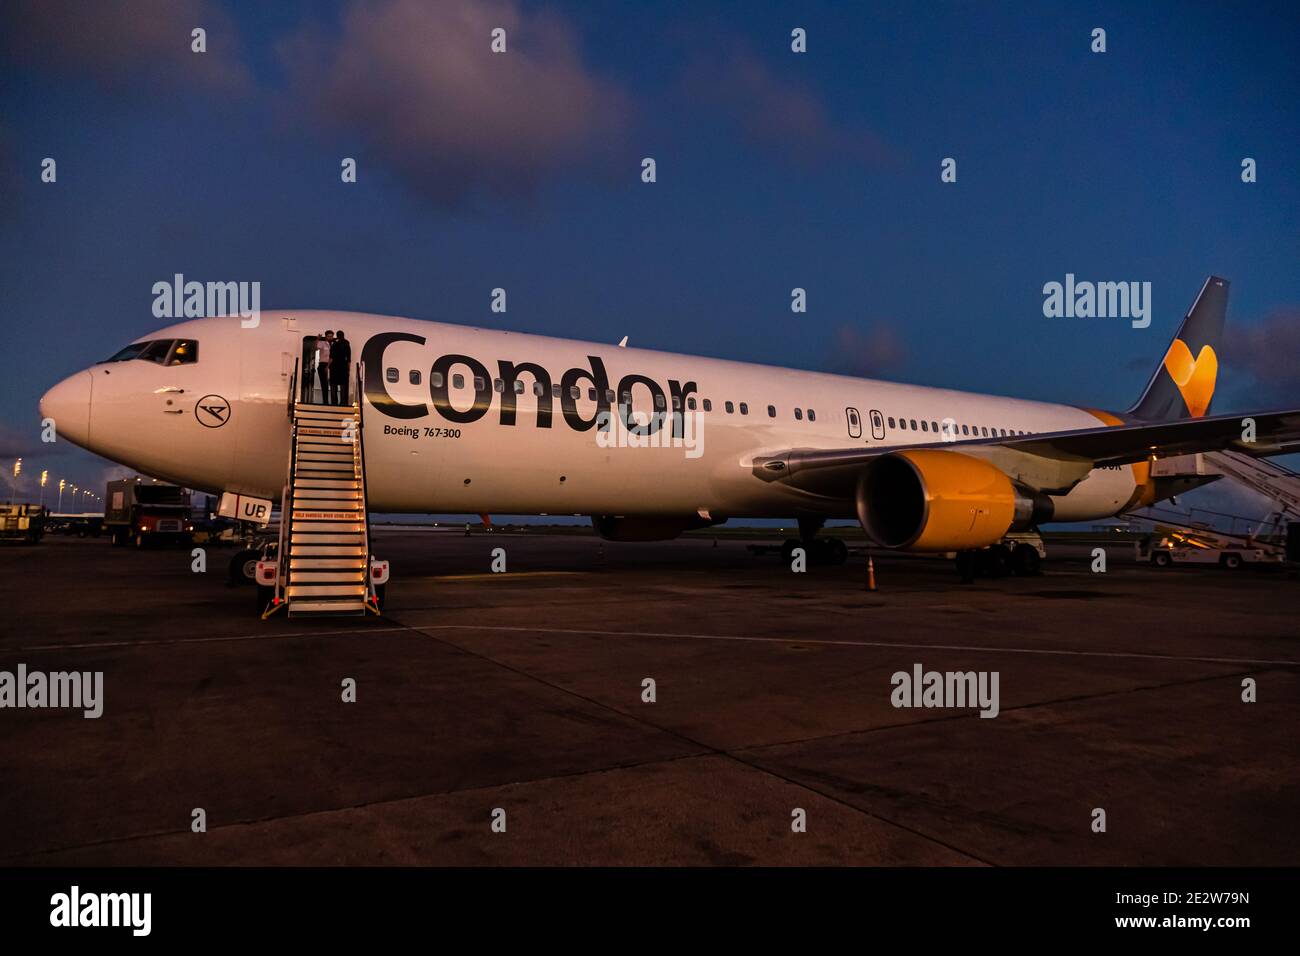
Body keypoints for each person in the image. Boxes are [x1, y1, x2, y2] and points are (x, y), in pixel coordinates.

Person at [332, 330, 352, 406]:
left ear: (337, 335)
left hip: (335, 367)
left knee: (334, 385)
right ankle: (342, 402)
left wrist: (327, 366)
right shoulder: (347, 344)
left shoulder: (335, 344)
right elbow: (349, 359)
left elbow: (332, 356)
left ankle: (334, 402)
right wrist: (348, 369)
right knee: (343, 385)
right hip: (343, 367)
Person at [316, 330, 333, 404]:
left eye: (331, 336)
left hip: (332, 365)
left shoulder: (334, 344)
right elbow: (316, 347)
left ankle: (333, 401)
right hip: (323, 364)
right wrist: (318, 339)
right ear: (326, 337)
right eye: (329, 336)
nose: (330, 337)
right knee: (324, 384)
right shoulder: (322, 343)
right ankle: (325, 401)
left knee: (332, 383)